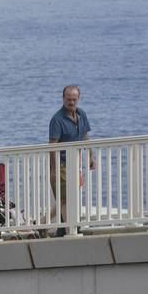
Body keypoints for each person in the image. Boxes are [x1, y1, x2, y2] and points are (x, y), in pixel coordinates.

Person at [49, 85, 93, 237]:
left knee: (72, 196)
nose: (71, 102)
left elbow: (85, 136)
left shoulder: (81, 114)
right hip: (61, 164)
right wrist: (53, 170)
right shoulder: (57, 119)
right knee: (65, 198)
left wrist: (91, 155)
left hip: (76, 163)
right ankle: (70, 229)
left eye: (74, 99)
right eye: (68, 99)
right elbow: (52, 146)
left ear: (78, 99)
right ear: (63, 99)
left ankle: (61, 227)